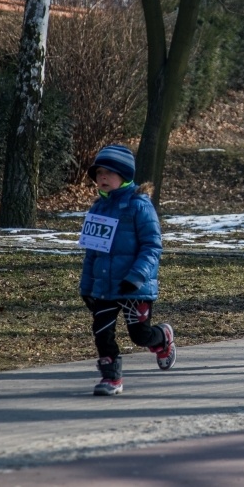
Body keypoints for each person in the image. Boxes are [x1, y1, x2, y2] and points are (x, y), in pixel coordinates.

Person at [79, 145, 176, 396]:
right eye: (99, 173)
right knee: (102, 332)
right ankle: (111, 378)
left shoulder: (139, 205)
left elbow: (152, 246)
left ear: (124, 175)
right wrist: (86, 286)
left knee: (140, 336)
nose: (102, 177)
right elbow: (92, 252)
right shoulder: (97, 208)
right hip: (104, 286)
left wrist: (136, 276)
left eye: (108, 172)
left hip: (134, 286)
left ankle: (162, 337)